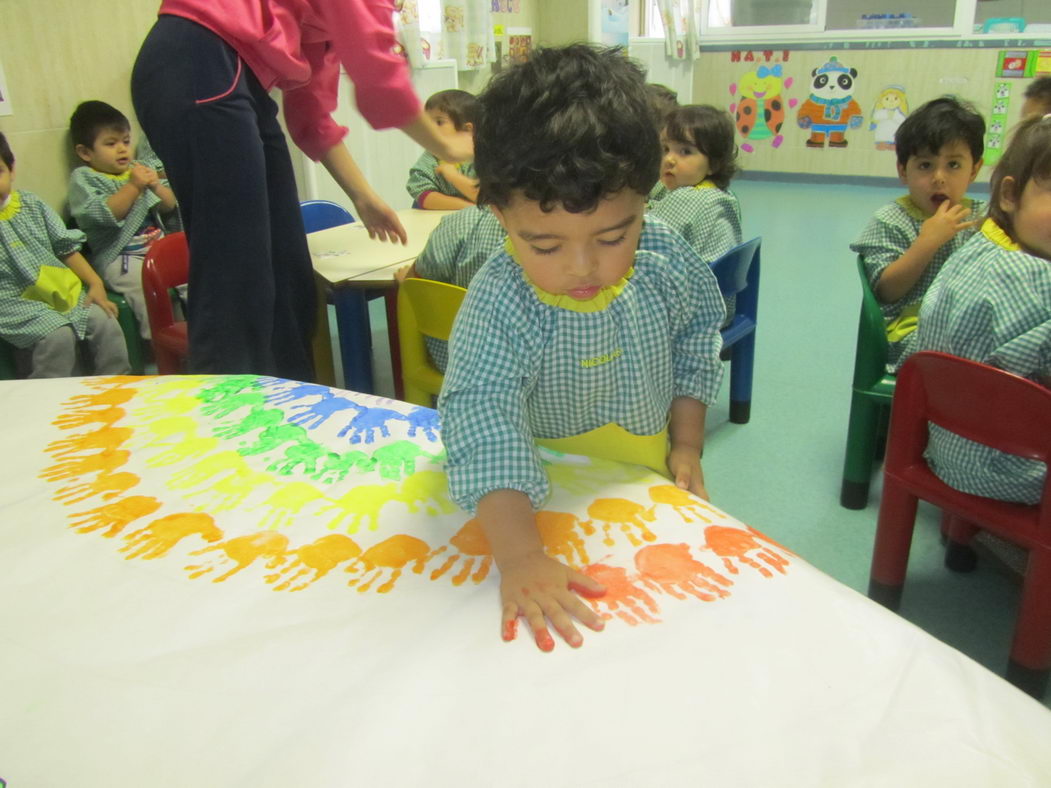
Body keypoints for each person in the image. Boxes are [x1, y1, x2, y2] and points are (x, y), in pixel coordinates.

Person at [438, 45, 725, 652]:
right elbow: (483, 419)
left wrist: (689, 442)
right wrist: (519, 557)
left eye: (614, 235)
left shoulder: (666, 258)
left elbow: (697, 335)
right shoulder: (501, 300)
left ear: (648, 198)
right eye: (544, 246)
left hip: (644, 478)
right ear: (499, 216)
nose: (583, 267)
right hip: (529, 494)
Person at [131, 0, 472, 380]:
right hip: (198, 58)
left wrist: (364, 197)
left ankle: (291, 401)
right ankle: (228, 418)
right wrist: (449, 147)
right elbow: (380, 80)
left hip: (239, 76)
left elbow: (311, 116)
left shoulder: (315, 25)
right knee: (236, 275)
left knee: (289, 274)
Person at [914, 114, 1051, 506]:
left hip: (946, 445)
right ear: (1010, 195)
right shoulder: (1039, 281)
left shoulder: (977, 243)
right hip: (1012, 468)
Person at [850, 96, 986, 371]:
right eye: (925, 165)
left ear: (974, 170)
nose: (939, 177)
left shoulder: (984, 218)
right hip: (912, 334)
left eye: (954, 165)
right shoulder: (892, 220)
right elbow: (886, 291)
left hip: (971, 325)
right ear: (903, 170)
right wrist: (928, 242)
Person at [0, 133, 130, 378]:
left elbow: (66, 249)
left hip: (58, 290)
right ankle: (50, 397)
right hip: (12, 303)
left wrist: (94, 283)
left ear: (11, 170)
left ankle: (115, 385)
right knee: (57, 335)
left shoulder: (31, 204)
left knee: (104, 319)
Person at [68, 101, 178, 339]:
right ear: (85, 152)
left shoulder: (138, 168)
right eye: (111, 143)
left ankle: (196, 333)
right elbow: (105, 214)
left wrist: (156, 186)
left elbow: (169, 206)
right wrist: (134, 186)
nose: (122, 150)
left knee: (193, 273)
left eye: (126, 141)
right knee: (144, 291)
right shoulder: (84, 179)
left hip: (157, 248)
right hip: (121, 258)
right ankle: (159, 343)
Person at [396, 205, 504, 371]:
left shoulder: (461, 225)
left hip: (455, 364)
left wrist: (406, 281)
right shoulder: (549, 234)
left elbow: (413, 281)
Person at [649, 105, 742, 264]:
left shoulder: (686, 198)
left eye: (685, 151)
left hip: (688, 286)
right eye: (665, 149)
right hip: (720, 284)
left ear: (714, 163)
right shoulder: (721, 194)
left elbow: (649, 243)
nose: (669, 159)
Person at [406, 89, 480, 210]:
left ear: (467, 129)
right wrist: (469, 208)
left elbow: (486, 196)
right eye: (428, 122)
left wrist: (453, 176)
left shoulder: (482, 158)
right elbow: (423, 194)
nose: (429, 128)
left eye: (439, 122)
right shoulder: (432, 156)